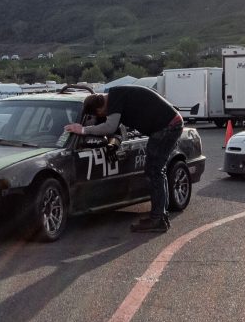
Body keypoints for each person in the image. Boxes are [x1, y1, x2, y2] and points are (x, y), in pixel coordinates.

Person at [65, 85, 183, 233]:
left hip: (167, 127)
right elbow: (116, 131)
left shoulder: (115, 96)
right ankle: (160, 217)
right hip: (170, 124)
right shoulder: (117, 97)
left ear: (100, 109)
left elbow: (109, 127)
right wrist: (112, 143)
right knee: (157, 171)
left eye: (100, 115)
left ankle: (158, 219)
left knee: (154, 172)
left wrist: (82, 130)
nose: (103, 116)